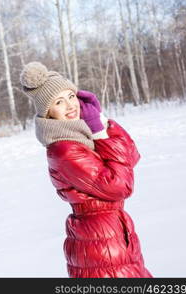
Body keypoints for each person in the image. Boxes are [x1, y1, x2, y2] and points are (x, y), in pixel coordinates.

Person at [20, 62, 152, 278]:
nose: (70, 105)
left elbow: (131, 154)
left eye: (71, 97)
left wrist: (102, 123)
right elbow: (120, 186)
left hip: (112, 233)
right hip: (100, 245)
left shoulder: (81, 136)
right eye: (59, 102)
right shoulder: (65, 150)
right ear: (48, 113)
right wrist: (100, 135)